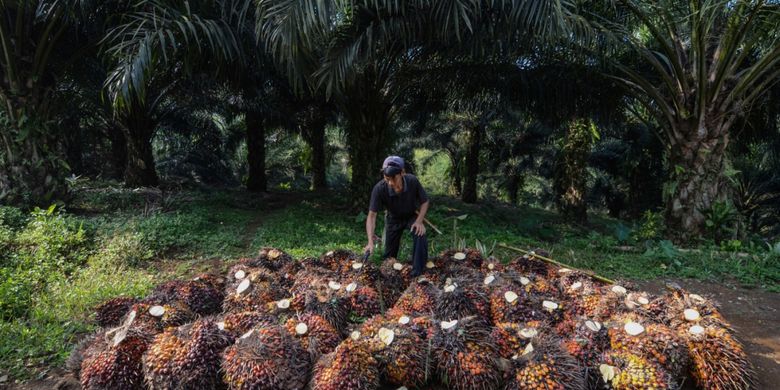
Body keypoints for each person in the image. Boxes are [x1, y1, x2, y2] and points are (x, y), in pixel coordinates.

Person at [364, 156, 430, 276]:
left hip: (411, 216)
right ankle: (389, 277)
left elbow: (425, 202)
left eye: (394, 178)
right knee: (389, 257)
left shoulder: (412, 181)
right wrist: (370, 241)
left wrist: (419, 221)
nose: (390, 183)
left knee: (420, 234)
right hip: (393, 219)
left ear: (402, 172)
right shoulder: (379, 189)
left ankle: (417, 273)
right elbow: (372, 216)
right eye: (387, 178)